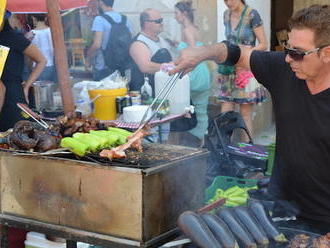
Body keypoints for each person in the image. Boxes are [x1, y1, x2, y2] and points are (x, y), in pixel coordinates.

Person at [171, 4, 330, 229]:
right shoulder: (285, 70)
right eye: (287, 49)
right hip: (281, 207)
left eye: (297, 52)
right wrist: (202, 53)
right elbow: (237, 53)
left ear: (327, 53)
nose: (287, 59)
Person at [217, 0, 267, 140]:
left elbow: (263, 45)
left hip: (245, 70)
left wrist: (244, 53)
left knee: (245, 114)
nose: (228, 2)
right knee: (225, 113)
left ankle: (247, 152)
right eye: (225, 0)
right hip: (228, 69)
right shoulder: (226, 14)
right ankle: (224, 149)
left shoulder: (252, 14)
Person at [0, 17, 46, 131]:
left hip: (13, 94)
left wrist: (26, 86)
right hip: (3, 91)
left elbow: (41, 60)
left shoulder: (14, 37)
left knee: (16, 135)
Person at [174, 1, 210, 145]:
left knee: (190, 106)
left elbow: (193, 51)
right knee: (201, 107)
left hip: (195, 70)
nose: (175, 17)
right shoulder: (194, 28)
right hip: (202, 69)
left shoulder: (187, 30)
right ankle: (202, 138)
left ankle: (193, 139)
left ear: (184, 14)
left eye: (176, 13)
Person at [86, 0, 132, 81]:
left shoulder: (99, 19)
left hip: (103, 68)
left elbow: (97, 44)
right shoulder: (125, 19)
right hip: (122, 67)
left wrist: (88, 59)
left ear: (101, 2)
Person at [129, 8, 173, 91]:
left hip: (162, 89)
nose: (162, 23)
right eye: (158, 21)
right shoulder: (138, 43)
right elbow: (145, 67)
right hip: (147, 94)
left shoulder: (161, 40)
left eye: (161, 20)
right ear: (147, 23)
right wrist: (171, 67)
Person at [29, 14, 56, 82]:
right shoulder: (51, 31)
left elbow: (29, 53)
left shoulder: (31, 34)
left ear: (34, 18)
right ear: (45, 18)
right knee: (50, 88)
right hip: (51, 64)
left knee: (39, 89)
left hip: (37, 66)